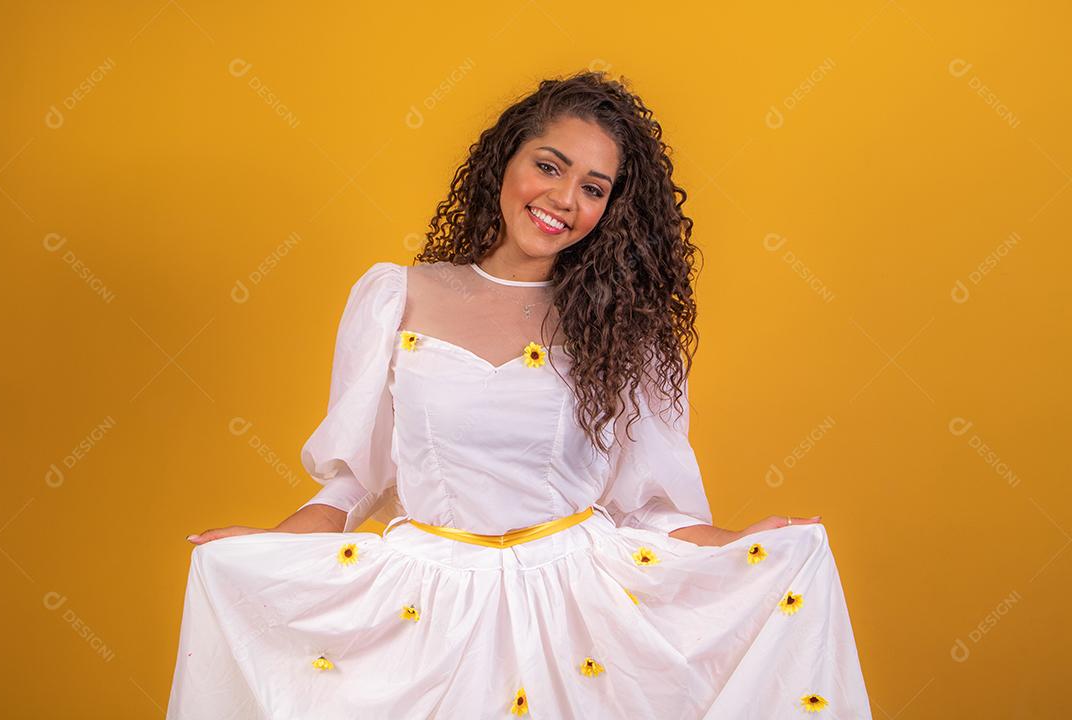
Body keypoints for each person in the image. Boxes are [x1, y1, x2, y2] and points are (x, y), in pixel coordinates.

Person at [168, 70, 872, 719]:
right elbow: (354, 479)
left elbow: (648, 504)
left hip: (575, 614)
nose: (564, 200)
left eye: (595, 188)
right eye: (549, 166)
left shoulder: (625, 326)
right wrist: (268, 546)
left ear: (612, 208)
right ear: (504, 161)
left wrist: (739, 546)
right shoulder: (395, 296)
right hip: (427, 607)